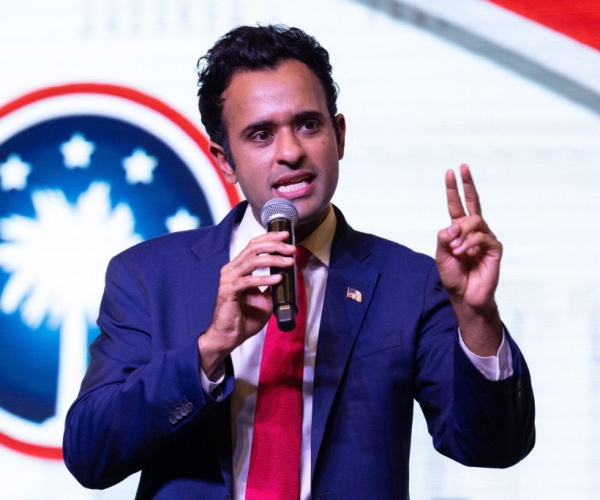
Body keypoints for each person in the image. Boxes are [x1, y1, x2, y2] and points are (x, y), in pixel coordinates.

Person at [63, 24, 535, 499]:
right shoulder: (149, 276)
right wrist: (208, 350)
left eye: (309, 125)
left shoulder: (410, 283)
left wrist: (476, 316)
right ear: (224, 160)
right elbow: (90, 455)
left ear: (340, 135)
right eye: (261, 134)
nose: (291, 152)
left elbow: (493, 446)